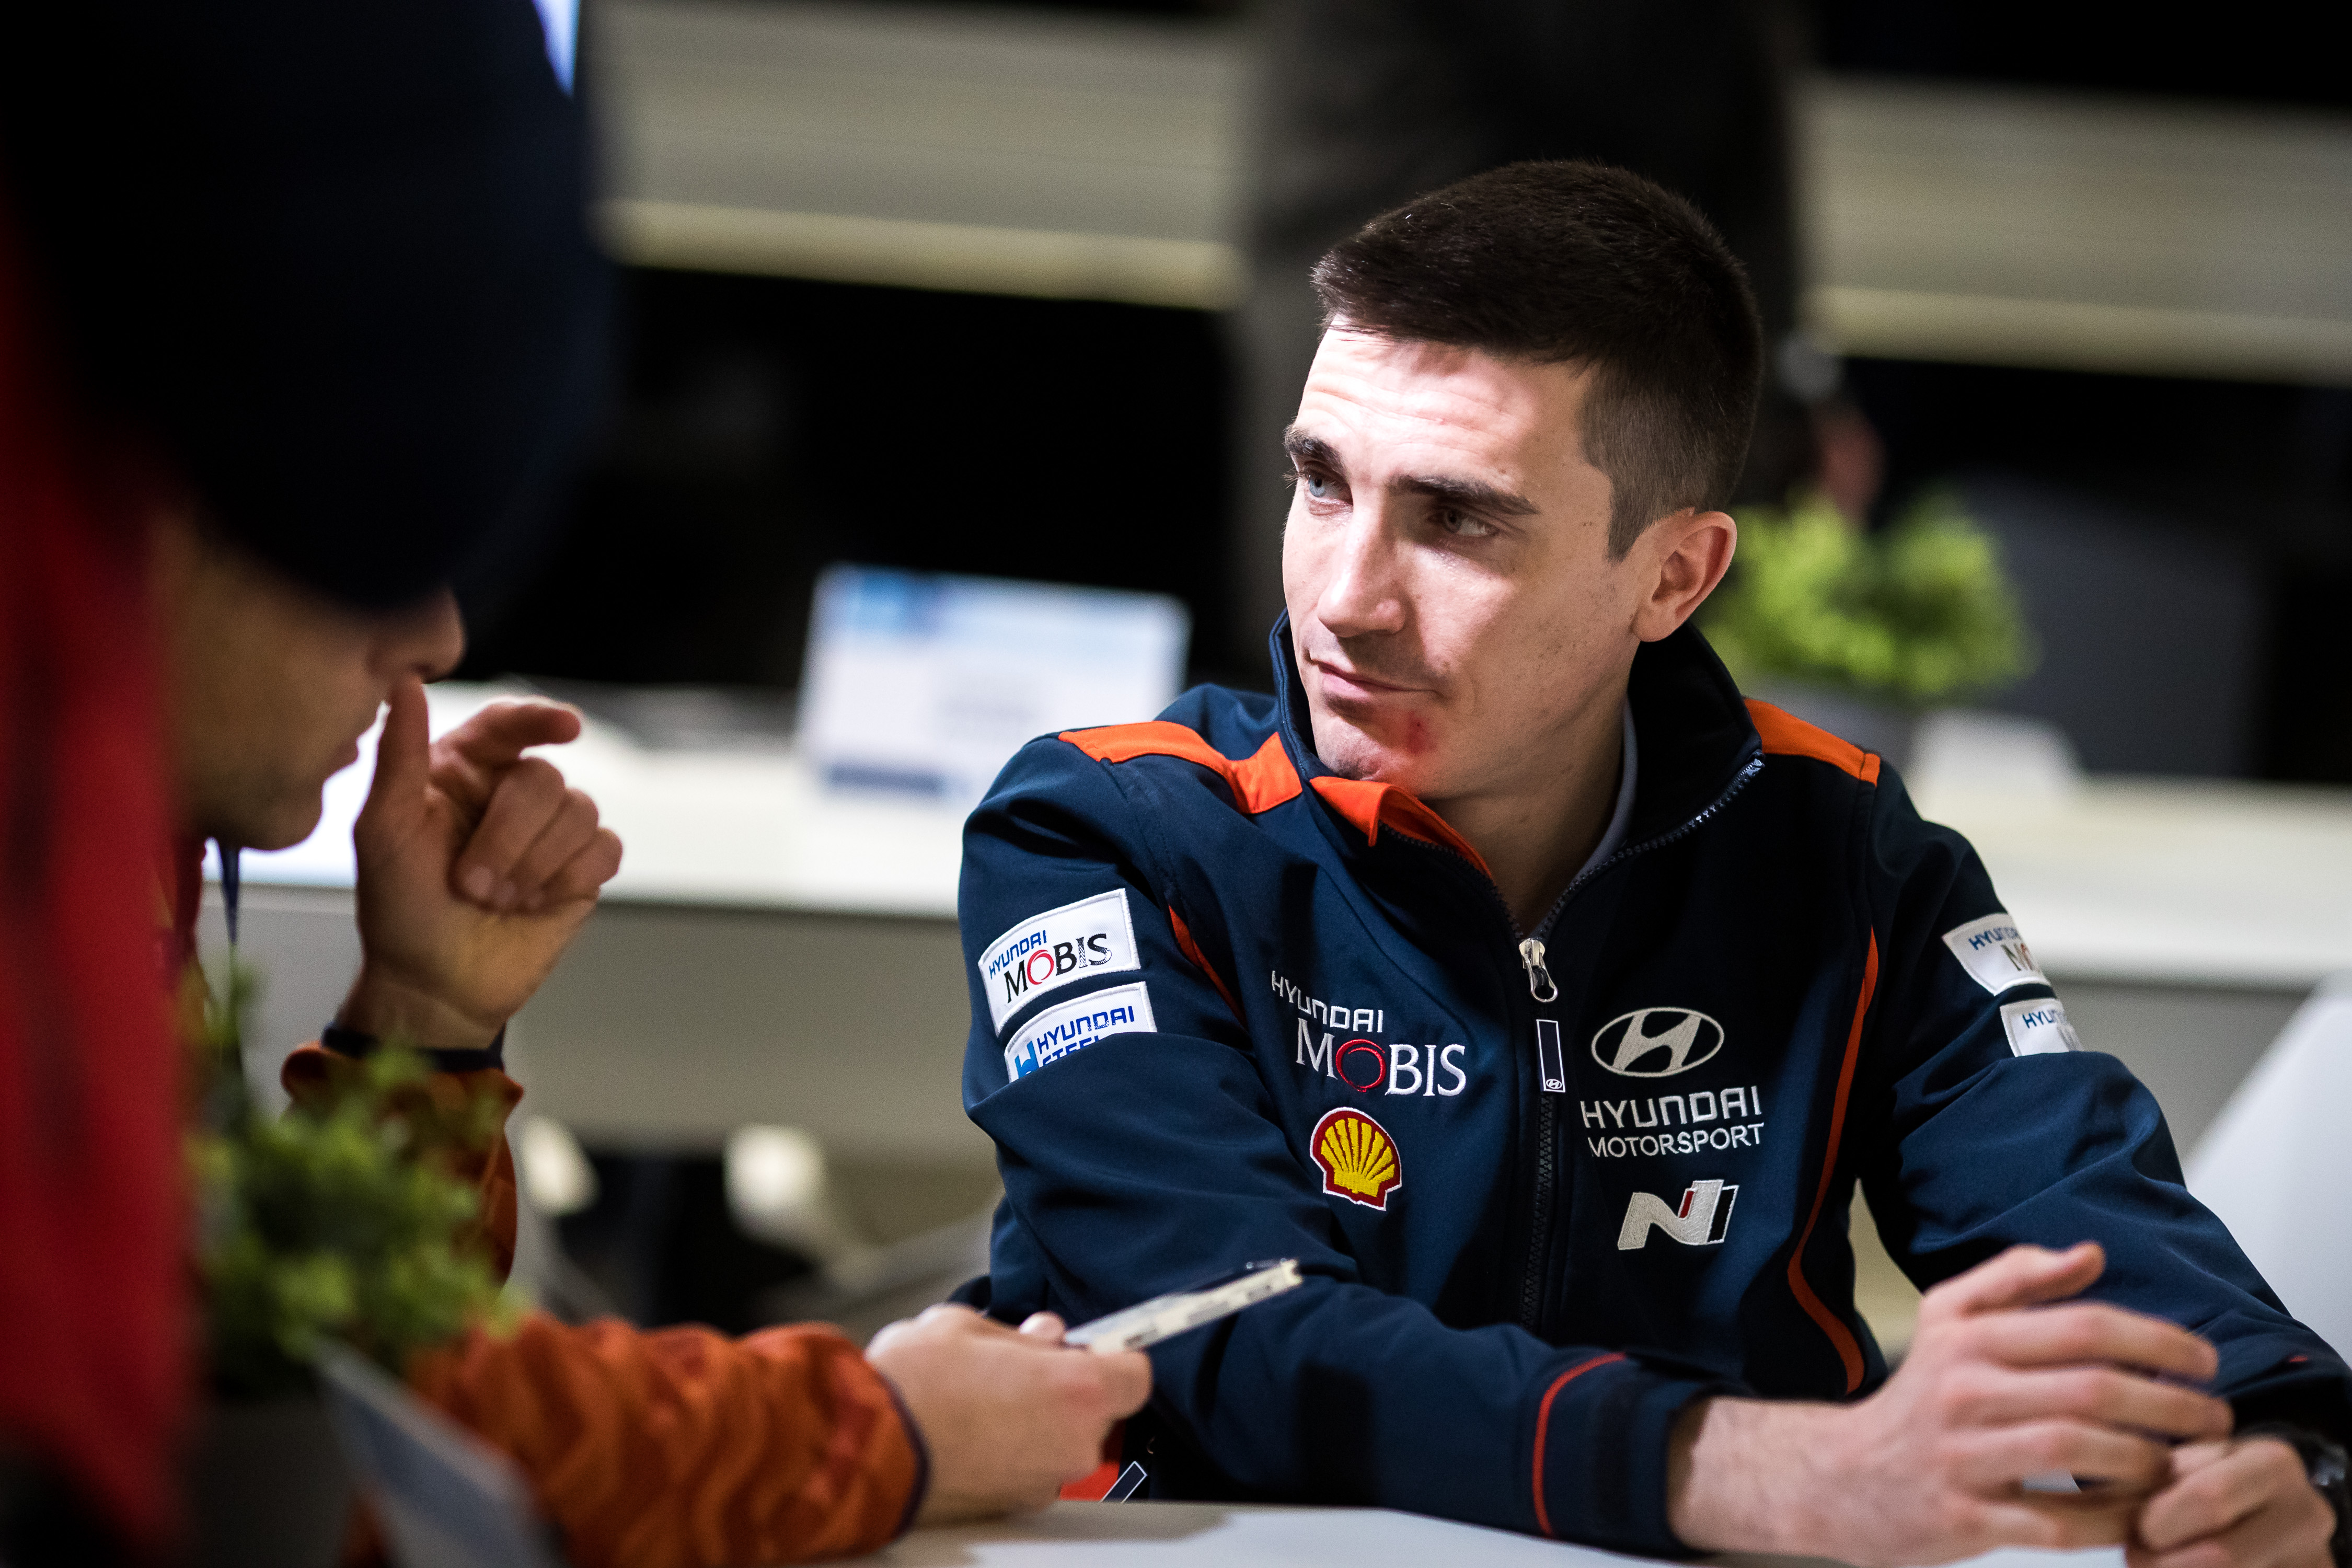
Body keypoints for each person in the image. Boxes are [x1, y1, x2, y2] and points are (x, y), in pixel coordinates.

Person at [955, 162, 2351, 1566]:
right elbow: (1227, 1340)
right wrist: (1755, 1471)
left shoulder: (1840, 844)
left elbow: (2075, 1210)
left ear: (1675, 577)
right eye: (1321, 483)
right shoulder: (1104, 833)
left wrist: (2279, 1450)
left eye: (1456, 519)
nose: (1345, 599)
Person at [0, 0, 1148, 1559]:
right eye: (356, 539)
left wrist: (423, 1030)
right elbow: (353, 1419)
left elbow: (318, 1380)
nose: (433, 637)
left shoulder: (106, 863)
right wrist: (880, 1434)